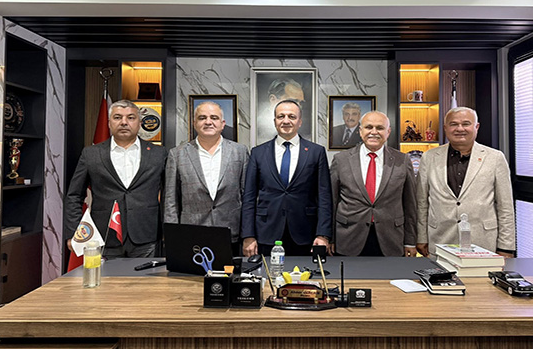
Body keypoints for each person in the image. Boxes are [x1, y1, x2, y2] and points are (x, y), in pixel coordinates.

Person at [64, 99, 167, 258]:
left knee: (147, 276)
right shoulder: (91, 154)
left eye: (131, 118)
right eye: (118, 117)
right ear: (109, 123)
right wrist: (75, 232)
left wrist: (168, 231)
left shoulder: (159, 154)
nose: (124, 122)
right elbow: (74, 196)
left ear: (139, 123)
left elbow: (169, 196)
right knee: (104, 276)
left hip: (147, 236)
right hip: (103, 237)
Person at [416, 107, 515, 257]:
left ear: (476, 127)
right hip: (441, 240)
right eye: (454, 124)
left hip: (483, 242)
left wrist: (506, 247)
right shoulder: (429, 157)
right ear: (445, 128)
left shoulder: (495, 158)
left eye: (466, 124)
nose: (460, 129)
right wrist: (421, 237)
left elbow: (505, 206)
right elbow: (422, 202)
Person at [241, 99, 332, 256]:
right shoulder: (258, 153)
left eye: (292, 116)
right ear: (274, 121)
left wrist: (323, 235)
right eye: (281, 116)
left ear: (300, 121)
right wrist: (248, 236)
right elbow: (249, 197)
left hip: (305, 233)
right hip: (266, 232)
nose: (286, 121)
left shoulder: (316, 152)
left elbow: (324, 197)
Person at [164, 102, 249, 255]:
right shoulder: (177, 154)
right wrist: (172, 237)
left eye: (214, 118)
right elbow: (171, 200)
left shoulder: (240, 152)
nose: (208, 122)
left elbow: (246, 196)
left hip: (230, 234)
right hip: (191, 233)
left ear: (223, 124)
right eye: (202, 118)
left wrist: (248, 234)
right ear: (194, 123)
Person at [330, 111, 418, 257]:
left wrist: (410, 241)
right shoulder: (341, 160)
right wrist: (330, 238)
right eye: (369, 127)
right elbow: (332, 201)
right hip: (348, 237)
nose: (374, 132)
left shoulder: (402, 160)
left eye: (380, 128)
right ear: (360, 131)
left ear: (388, 132)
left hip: (390, 238)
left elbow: (410, 204)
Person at [256, 78, 306, 143]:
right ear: (273, 99)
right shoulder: (258, 125)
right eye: (292, 101)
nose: (298, 106)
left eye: (301, 103)